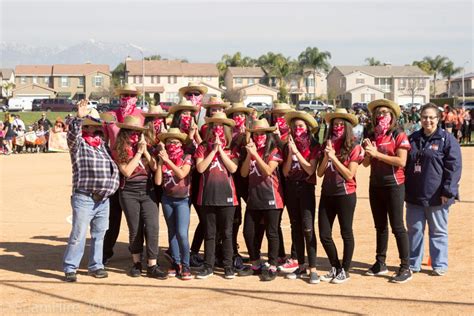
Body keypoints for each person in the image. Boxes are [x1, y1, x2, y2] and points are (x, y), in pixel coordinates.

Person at [62, 100, 120, 282]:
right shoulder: (79, 145)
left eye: (95, 128)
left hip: (103, 199)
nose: (92, 131)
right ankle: (71, 267)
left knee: (99, 234)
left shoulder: (102, 146)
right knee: (78, 234)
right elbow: (72, 135)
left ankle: (96, 265)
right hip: (85, 197)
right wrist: (79, 118)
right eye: (88, 127)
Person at [405, 103, 462, 276]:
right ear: (420, 118)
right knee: (414, 231)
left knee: (438, 231)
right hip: (415, 194)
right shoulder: (413, 138)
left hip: (438, 196)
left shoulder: (446, 139)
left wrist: (447, 191)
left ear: (438, 119)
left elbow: (454, 167)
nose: (427, 120)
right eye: (424, 117)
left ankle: (439, 264)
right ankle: (413, 263)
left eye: (431, 117)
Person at [362, 99, 412, 283]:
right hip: (375, 185)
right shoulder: (372, 134)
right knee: (380, 226)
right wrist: (368, 153)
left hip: (394, 185)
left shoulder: (398, 134)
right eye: (378, 113)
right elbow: (366, 163)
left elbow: (401, 161)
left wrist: (377, 154)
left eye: (385, 112)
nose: (381, 115)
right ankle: (380, 262)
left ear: (392, 115)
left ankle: (405, 266)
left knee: (397, 226)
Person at [114, 115, 167, 279]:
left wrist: (145, 151)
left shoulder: (147, 148)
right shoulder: (119, 150)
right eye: (131, 132)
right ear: (124, 133)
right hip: (128, 192)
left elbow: (153, 166)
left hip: (147, 191)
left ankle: (152, 264)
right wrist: (138, 153)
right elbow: (127, 172)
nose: (135, 135)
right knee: (135, 229)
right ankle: (136, 263)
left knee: (152, 227)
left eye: (138, 132)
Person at [317, 108, 364, 284]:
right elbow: (320, 173)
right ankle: (335, 266)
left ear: (347, 127)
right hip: (327, 193)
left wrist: (333, 158)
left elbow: (349, 175)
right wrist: (326, 156)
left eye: (340, 124)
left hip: (345, 194)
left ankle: (345, 269)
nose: (337, 127)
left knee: (346, 232)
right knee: (324, 234)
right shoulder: (327, 144)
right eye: (334, 124)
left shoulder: (354, 146)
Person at [102, 84, 144, 265]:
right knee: (113, 215)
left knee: (138, 216)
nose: (127, 98)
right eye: (124, 95)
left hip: (135, 169)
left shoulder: (141, 116)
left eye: (131, 95)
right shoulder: (111, 117)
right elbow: (105, 141)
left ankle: (138, 250)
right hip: (115, 167)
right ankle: (105, 251)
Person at [194, 112, 239, 279]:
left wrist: (221, 150)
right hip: (207, 196)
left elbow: (233, 169)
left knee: (227, 233)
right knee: (210, 233)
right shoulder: (203, 147)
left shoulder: (232, 148)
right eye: (214, 126)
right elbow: (200, 168)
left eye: (221, 126)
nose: (217, 129)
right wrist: (213, 151)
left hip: (227, 197)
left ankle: (228, 266)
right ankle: (208, 266)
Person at [240, 119, 283, 281]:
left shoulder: (274, 151)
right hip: (254, 197)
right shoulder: (251, 151)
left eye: (262, 134)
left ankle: (272, 265)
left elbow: (267, 171)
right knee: (249, 232)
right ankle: (256, 263)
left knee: (272, 233)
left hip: (271, 197)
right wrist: (249, 155)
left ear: (269, 135)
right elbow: (244, 173)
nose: (258, 137)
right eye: (256, 134)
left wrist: (256, 155)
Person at [282, 111, 320, 283]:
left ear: (307, 128)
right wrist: (291, 153)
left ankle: (313, 268)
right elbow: (285, 171)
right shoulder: (287, 146)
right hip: (291, 188)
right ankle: (301, 264)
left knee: (308, 227)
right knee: (295, 226)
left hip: (306, 188)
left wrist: (297, 152)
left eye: (301, 126)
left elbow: (311, 170)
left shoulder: (314, 145)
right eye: (295, 126)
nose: (298, 129)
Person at [169, 98, 204, 267]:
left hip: (197, 179)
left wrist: (195, 134)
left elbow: (201, 149)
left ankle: (193, 252)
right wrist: (188, 137)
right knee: (177, 224)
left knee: (203, 218)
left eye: (190, 113)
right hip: (177, 182)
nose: (187, 116)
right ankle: (177, 256)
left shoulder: (198, 131)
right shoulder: (172, 132)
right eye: (183, 113)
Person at [155, 128, 193, 280]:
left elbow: (182, 174)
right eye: (169, 142)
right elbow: (158, 181)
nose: (172, 144)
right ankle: (175, 262)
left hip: (183, 199)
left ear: (181, 143)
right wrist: (160, 163)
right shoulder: (162, 159)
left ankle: (186, 264)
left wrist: (168, 161)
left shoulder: (186, 156)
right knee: (172, 232)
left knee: (182, 234)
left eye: (176, 142)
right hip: (167, 198)